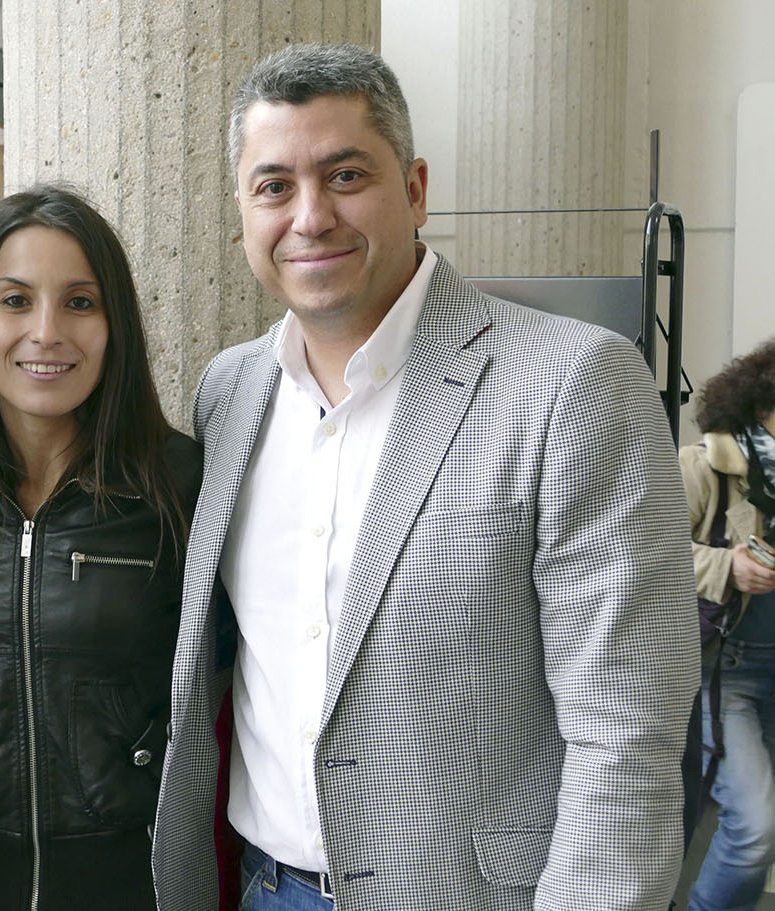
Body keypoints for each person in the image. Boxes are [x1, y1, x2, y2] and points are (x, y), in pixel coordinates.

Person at [150, 42, 699, 911]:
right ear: (243, 214)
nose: (310, 216)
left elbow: (626, 729)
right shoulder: (230, 391)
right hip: (263, 886)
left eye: (345, 175)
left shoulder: (572, 382)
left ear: (415, 190)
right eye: (274, 187)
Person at [0, 186, 201, 910]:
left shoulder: (177, 483)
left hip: (132, 881)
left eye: (79, 302)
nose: (46, 332)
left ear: (114, 325)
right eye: (15, 300)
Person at [681, 339, 775, 911]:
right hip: (725, 669)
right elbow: (643, 556)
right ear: (760, 406)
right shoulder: (704, 467)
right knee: (754, 829)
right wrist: (727, 566)